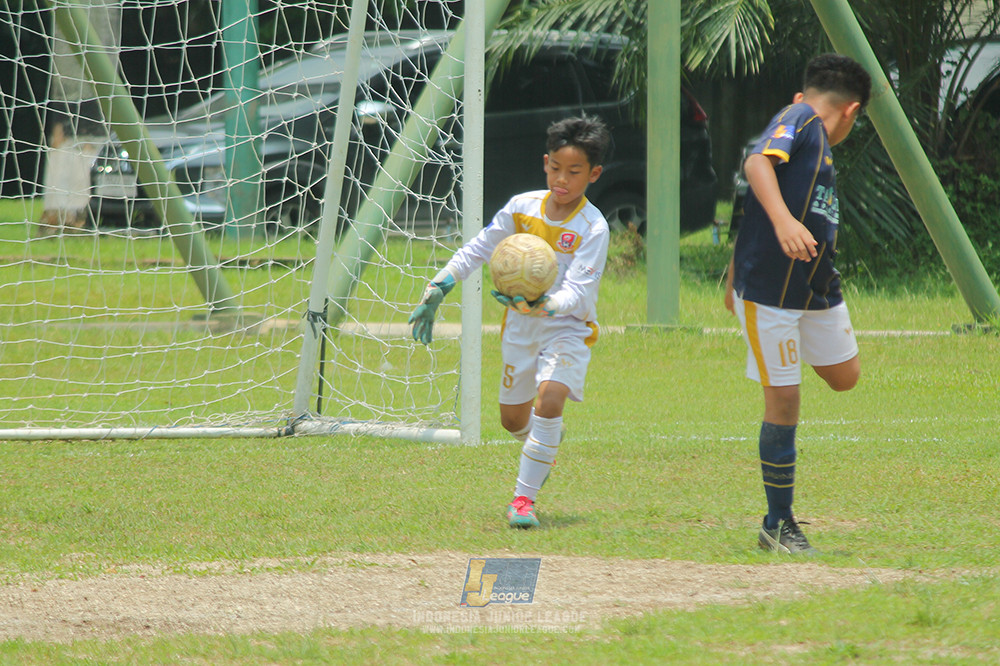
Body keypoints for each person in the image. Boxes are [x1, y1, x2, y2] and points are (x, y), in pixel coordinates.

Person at [409, 115, 611, 529]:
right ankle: (543, 444)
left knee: (550, 399)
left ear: (594, 174)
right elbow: (481, 247)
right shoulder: (521, 208)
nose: (563, 180)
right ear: (545, 163)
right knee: (513, 420)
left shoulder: (593, 227)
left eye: (574, 173)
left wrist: (544, 304)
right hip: (520, 329)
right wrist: (440, 285)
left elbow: (578, 293)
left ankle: (523, 500)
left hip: (567, 327)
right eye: (556, 168)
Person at [725, 53, 872, 554]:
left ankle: (780, 357)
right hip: (772, 291)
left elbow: (749, 207)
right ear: (852, 110)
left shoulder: (813, 136)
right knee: (784, 399)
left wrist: (730, 271)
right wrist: (787, 224)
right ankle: (778, 523)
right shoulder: (801, 118)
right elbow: (755, 163)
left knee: (845, 376)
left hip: (815, 284)